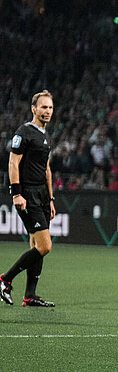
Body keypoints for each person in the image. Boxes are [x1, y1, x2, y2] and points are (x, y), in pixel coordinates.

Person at [1, 90, 57, 307]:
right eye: (43, 107)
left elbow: (47, 169)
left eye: (50, 107)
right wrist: (17, 193)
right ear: (34, 108)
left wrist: (51, 199)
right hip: (28, 194)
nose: (47, 111)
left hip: (42, 196)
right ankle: (5, 279)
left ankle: (30, 295)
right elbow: (13, 163)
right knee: (45, 246)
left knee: (36, 244)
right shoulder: (24, 132)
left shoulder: (44, 135)